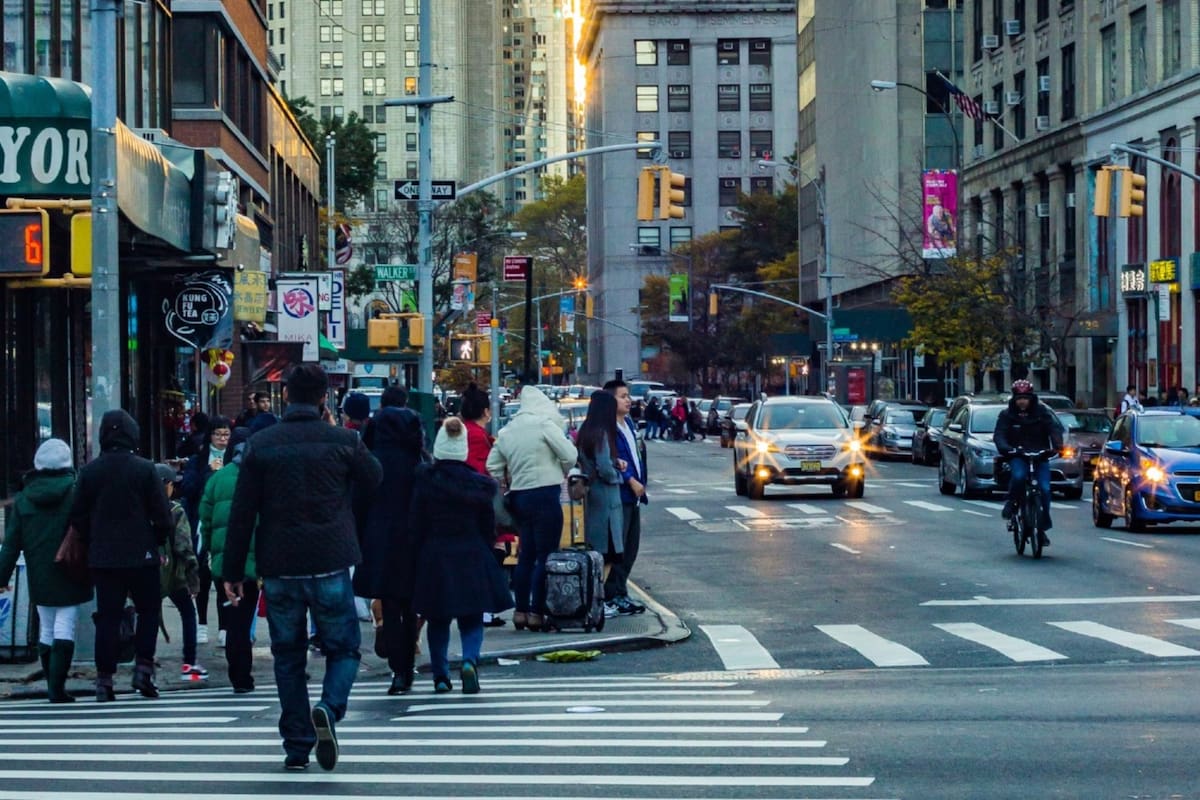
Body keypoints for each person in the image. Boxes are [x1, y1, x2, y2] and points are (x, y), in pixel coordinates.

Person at [222, 364, 382, 772]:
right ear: (324, 399)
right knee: (343, 647)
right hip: (330, 558)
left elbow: (242, 513)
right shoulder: (344, 440)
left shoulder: (261, 444)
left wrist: (232, 571)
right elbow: (374, 478)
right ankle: (329, 706)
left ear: (286, 396)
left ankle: (296, 745)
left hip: (280, 565)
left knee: (288, 655)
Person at [69, 410, 175, 701]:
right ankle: (143, 668)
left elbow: (77, 514)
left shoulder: (90, 472)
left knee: (108, 616)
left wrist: (94, 538)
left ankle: (104, 680)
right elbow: (163, 515)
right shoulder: (144, 469)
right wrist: (158, 539)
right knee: (149, 611)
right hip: (142, 553)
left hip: (104, 556)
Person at [411, 417, 513, 694]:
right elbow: (488, 525)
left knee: (438, 618)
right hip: (471, 552)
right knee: (472, 616)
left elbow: (416, 523)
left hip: (435, 555)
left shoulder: (424, 482)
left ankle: (441, 675)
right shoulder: (479, 486)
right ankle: (469, 661)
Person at [0, 439, 92, 703]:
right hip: (70, 566)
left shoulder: (24, 498)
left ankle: (53, 684)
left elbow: (11, 543)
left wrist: (2, 576)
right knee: (65, 624)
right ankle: (57, 688)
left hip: (38, 570)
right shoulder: (75, 492)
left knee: (47, 627)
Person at [486, 386, 577, 632]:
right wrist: (562, 468)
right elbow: (570, 453)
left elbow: (492, 465)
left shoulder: (507, 431)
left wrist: (507, 477)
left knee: (525, 555)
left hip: (519, 497)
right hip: (546, 494)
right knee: (545, 557)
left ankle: (520, 611)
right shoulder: (544, 425)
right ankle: (537, 612)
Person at [353, 385, 425, 695]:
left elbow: (358, 503)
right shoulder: (418, 459)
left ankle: (398, 670)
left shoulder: (371, 460)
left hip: (380, 539)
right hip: (413, 538)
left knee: (391, 604)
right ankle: (408, 664)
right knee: (411, 604)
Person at [199, 428, 258, 694]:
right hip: (257, 561)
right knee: (253, 618)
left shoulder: (216, 479)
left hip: (226, 562)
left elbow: (206, 522)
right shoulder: (261, 477)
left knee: (235, 621)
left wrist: (212, 552)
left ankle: (240, 677)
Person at [180, 415, 233, 646]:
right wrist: (208, 473)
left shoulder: (234, 459)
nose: (223, 439)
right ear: (210, 436)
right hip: (202, 524)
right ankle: (202, 623)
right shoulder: (197, 461)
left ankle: (224, 627)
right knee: (202, 574)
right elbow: (188, 489)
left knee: (223, 575)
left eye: (226, 435)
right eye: (218, 434)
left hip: (227, 524)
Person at [994, 379, 1063, 548]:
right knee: (1018, 476)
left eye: (1025, 398)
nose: (1022, 401)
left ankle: (1042, 527)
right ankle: (1012, 502)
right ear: (1014, 399)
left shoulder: (1042, 413)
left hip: (1040, 455)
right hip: (1018, 454)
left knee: (1045, 489)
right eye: (1019, 398)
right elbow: (1000, 435)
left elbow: (1054, 429)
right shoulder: (1006, 415)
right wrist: (1007, 448)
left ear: (1032, 398)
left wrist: (1058, 446)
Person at [575, 392, 626, 614]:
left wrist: (615, 462)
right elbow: (604, 468)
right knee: (607, 554)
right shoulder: (603, 434)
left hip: (592, 496)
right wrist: (618, 475)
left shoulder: (586, 431)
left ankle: (595, 600)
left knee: (597, 551)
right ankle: (598, 601)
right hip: (606, 498)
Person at [156, 463, 204, 683]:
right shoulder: (175, 511)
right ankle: (189, 663)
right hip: (174, 574)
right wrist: (193, 574)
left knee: (146, 617)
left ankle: (144, 666)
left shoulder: (139, 508)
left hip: (148, 571)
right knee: (187, 613)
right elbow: (184, 545)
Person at [603, 379, 647, 615]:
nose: (628, 400)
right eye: (622, 396)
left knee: (631, 547)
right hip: (622, 495)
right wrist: (630, 479)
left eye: (628, 396)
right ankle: (614, 594)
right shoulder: (609, 428)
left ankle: (621, 591)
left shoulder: (628, 423)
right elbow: (615, 458)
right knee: (619, 549)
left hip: (636, 496)